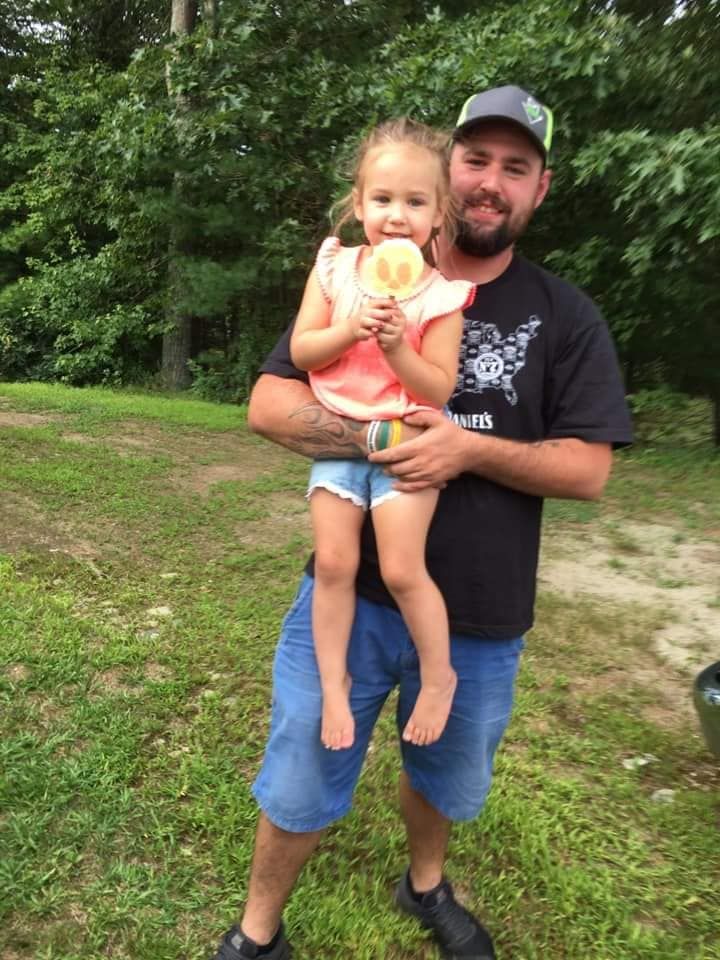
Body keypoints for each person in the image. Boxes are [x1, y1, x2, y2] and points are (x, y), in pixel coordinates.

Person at [209, 85, 633, 960]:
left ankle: (426, 886)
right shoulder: (354, 270)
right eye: (476, 159)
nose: (491, 182)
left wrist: (467, 451)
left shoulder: (566, 316)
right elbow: (268, 404)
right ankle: (257, 932)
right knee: (300, 763)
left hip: (479, 609)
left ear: (538, 189)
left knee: (442, 772)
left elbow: (589, 469)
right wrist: (380, 439)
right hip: (350, 592)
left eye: (515, 168)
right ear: (447, 176)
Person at [289, 118, 474, 752]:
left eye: (416, 202)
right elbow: (305, 350)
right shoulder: (337, 269)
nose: (398, 217)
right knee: (334, 565)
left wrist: (397, 347)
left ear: (439, 213)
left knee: (401, 570)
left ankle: (440, 675)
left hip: (405, 450)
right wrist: (350, 330)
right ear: (359, 203)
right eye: (383, 200)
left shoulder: (442, 295)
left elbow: (440, 388)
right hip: (339, 443)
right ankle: (334, 684)